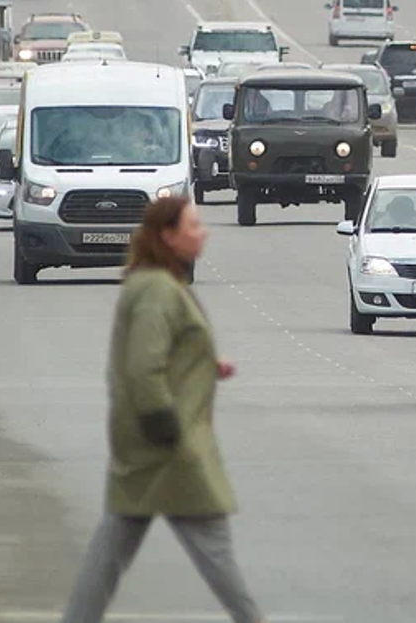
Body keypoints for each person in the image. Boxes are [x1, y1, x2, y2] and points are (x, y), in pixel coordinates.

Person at [59, 198, 264, 623]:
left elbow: (163, 352)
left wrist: (205, 365)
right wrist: (165, 426)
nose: (203, 232)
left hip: (148, 442)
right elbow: (143, 366)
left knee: (113, 546)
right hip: (167, 443)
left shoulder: (158, 283)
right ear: (169, 236)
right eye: (194, 225)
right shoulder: (157, 290)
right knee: (213, 547)